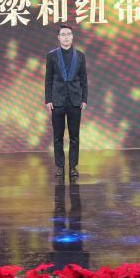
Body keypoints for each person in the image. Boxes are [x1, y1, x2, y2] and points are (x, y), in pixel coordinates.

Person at [44, 24, 88, 179]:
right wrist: (48, 99)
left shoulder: (80, 55)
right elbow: (48, 79)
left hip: (75, 100)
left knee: (74, 137)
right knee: (58, 136)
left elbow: (84, 79)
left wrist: (84, 99)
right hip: (57, 100)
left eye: (69, 34)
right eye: (63, 34)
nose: (66, 37)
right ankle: (60, 167)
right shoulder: (52, 56)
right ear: (58, 37)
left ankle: (73, 167)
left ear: (72, 36)